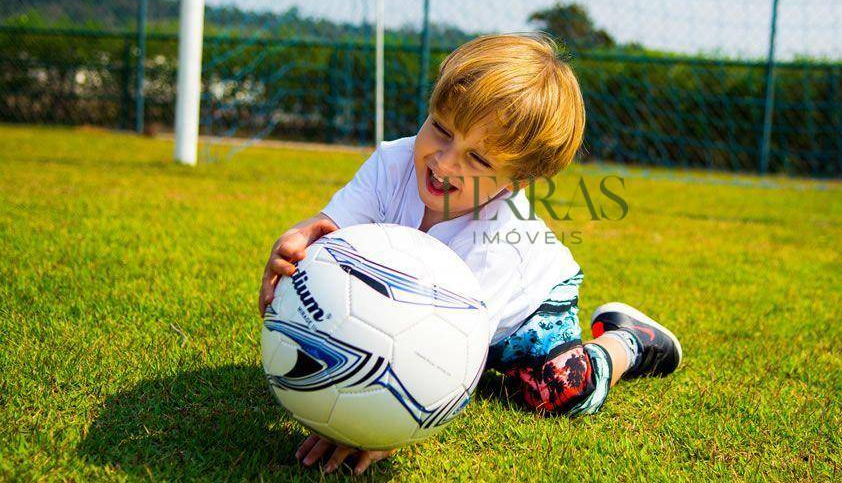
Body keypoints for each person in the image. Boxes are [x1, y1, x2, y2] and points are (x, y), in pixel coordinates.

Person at [258, 33, 682, 476]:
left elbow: (450, 352)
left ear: (517, 179)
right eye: (441, 129)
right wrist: (299, 244)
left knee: (554, 392)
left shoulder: (501, 240)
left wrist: (384, 427)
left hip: (524, 311)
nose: (444, 162)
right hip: (430, 307)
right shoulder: (391, 163)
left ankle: (627, 340)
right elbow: (331, 236)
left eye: (477, 158)